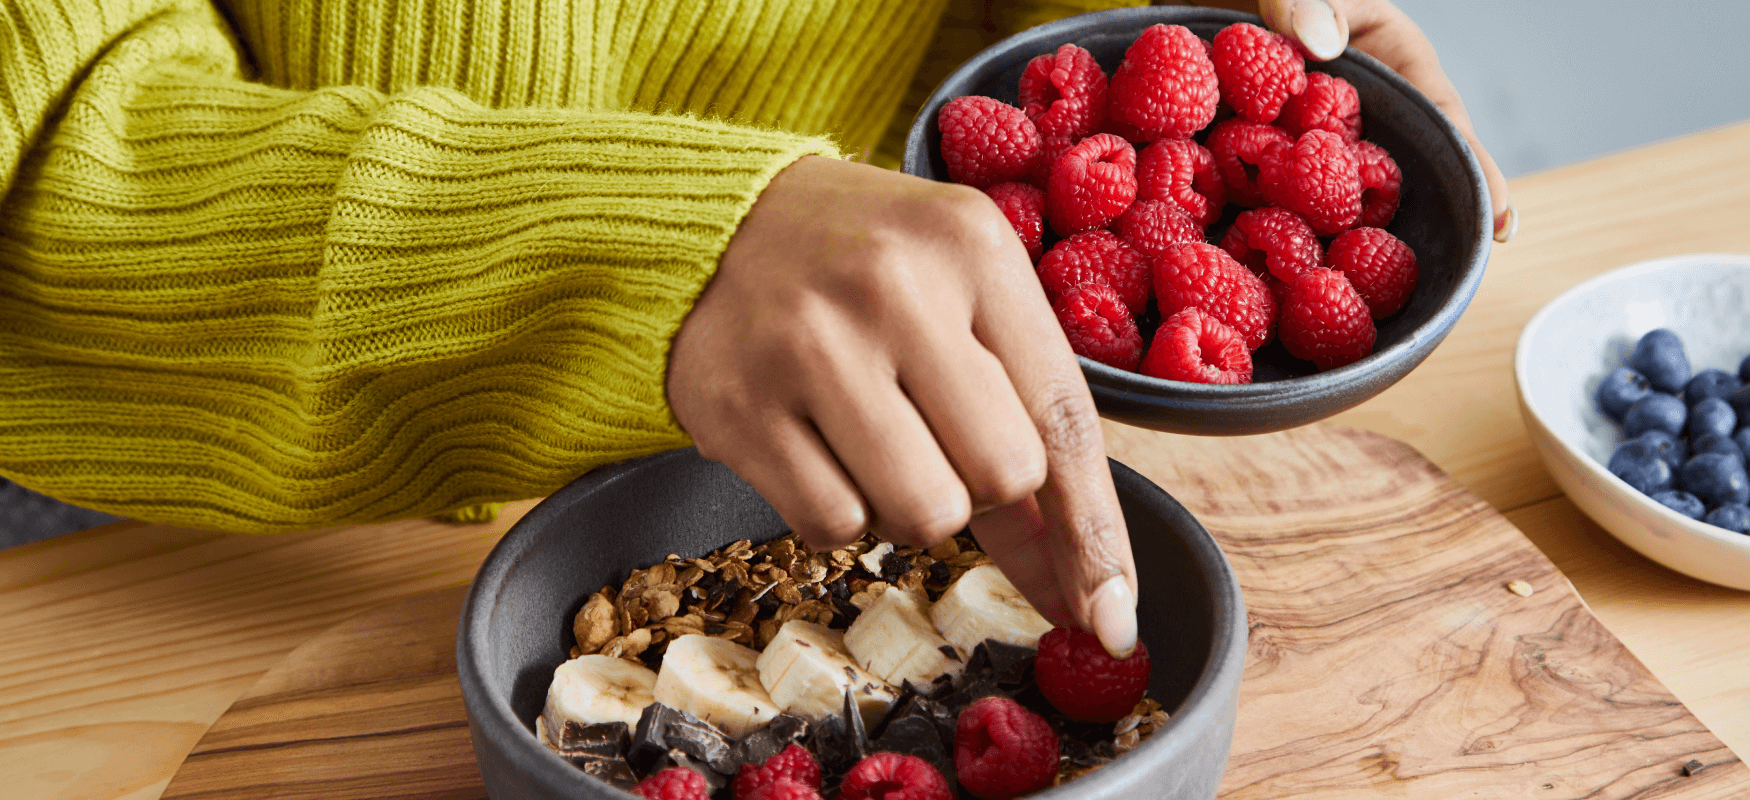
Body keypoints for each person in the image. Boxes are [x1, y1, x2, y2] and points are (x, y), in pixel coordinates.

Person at [0, 0, 1508, 658]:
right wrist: (657, 239)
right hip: (184, 455)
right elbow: (42, 127)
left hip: (931, 368)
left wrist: (1148, 50)